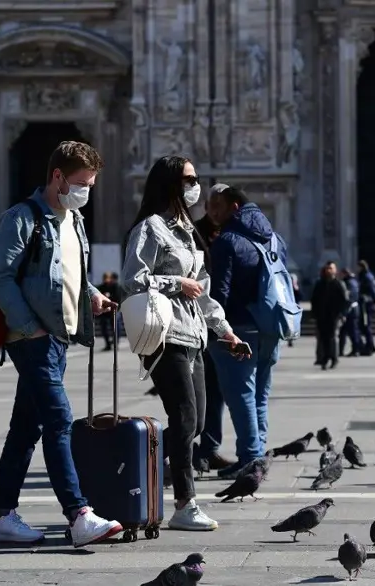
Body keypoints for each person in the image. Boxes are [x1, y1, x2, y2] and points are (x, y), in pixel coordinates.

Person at [0, 140, 120, 547]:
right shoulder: (21, 218)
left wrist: (92, 294)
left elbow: (68, 272)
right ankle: (79, 515)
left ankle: (1, 516)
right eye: (81, 183)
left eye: (91, 185)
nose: (86, 192)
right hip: (32, 338)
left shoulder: (73, 220)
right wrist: (29, 326)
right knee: (59, 420)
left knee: (25, 428)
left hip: (58, 337)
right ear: (57, 176)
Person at [122, 155, 241, 530]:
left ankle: (141, 453)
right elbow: (132, 281)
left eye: (196, 178)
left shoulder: (186, 232)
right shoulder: (150, 228)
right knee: (185, 415)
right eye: (189, 178)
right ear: (171, 183)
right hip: (164, 334)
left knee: (198, 421)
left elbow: (202, 291)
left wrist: (225, 331)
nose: (195, 185)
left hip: (194, 335)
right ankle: (184, 504)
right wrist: (175, 284)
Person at [207, 185, 289, 478]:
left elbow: (220, 292)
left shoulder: (227, 242)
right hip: (269, 327)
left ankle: (250, 458)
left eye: (217, 205)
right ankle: (257, 455)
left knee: (240, 394)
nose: (210, 211)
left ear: (235, 207)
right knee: (259, 394)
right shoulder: (275, 240)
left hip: (238, 329)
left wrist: (218, 331)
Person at [190, 183, 236, 472]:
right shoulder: (196, 234)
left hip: (220, 320)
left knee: (215, 390)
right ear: (206, 207)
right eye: (212, 206)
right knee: (199, 392)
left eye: (221, 206)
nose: (215, 211)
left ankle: (208, 447)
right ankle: (192, 448)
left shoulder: (232, 233)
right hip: (199, 320)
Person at [311, 261, 348, 371]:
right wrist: (315, 314)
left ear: (335, 270)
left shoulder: (338, 284)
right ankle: (324, 359)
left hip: (334, 316)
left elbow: (344, 301)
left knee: (333, 338)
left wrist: (342, 314)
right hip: (322, 316)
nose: (329, 270)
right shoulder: (320, 284)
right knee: (322, 338)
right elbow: (314, 299)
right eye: (327, 268)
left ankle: (334, 358)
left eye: (331, 268)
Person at [356, 260, 375, 355]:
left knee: (365, 325)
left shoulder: (367, 277)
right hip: (364, 303)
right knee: (364, 325)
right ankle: (370, 345)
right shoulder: (364, 276)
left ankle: (370, 346)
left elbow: (372, 289)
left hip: (366, 304)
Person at [338, 268, 362, 356]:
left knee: (351, 331)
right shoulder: (354, 282)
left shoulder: (348, 283)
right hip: (354, 309)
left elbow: (347, 299)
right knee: (346, 332)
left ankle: (355, 349)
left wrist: (344, 313)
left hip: (350, 310)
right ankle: (342, 350)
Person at [96, 272, 122, 351]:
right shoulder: (101, 287)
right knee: (104, 328)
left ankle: (115, 343)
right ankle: (107, 344)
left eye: (107, 278)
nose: (106, 280)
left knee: (115, 327)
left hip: (114, 310)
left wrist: (109, 296)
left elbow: (118, 298)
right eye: (105, 278)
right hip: (105, 311)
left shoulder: (115, 286)